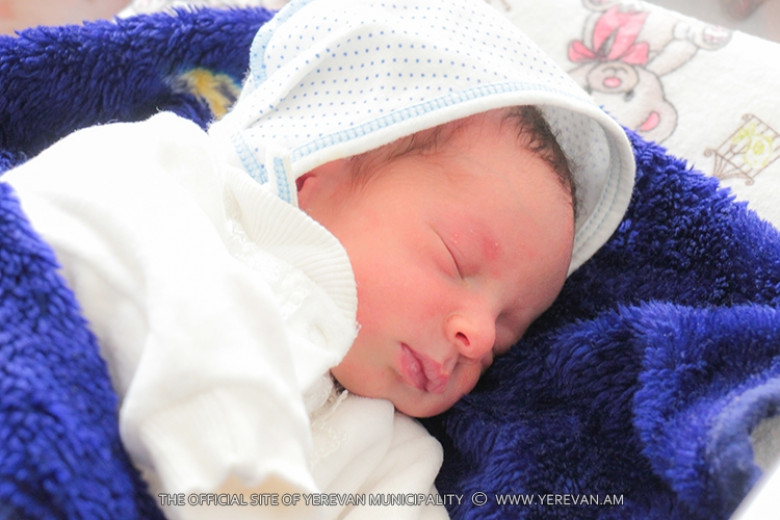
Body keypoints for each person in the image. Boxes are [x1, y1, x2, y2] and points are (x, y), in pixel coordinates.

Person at [1, 0, 635, 518]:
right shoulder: (173, 181)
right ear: (316, 167)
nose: (479, 337)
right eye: (455, 259)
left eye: (506, 333)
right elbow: (67, 236)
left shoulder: (384, 442)